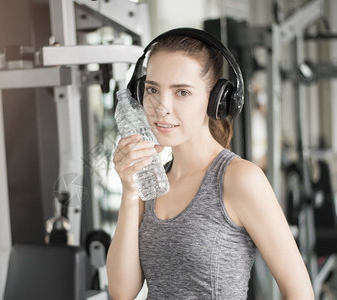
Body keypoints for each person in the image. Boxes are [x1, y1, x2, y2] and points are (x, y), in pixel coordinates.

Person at [106, 28, 313, 299]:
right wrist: (130, 190)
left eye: (182, 92)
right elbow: (122, 291)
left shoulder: (238, 179)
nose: (162, 106)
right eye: (153, 89)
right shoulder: (152, 182)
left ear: (215, 100)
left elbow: (299, 292)